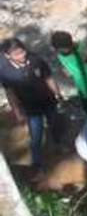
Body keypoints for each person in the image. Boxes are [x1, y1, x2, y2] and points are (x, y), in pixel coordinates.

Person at [0, 38, 65, 169]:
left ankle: (59, 145)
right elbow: (10, 94)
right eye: (16, 54)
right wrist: (17, 113)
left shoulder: (36, 60)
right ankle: (38, 163)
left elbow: (48, 78)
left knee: (55, 124)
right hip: (30, 109)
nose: (22, 55)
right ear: (7, 55)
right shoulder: (5, 72)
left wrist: (58, 94)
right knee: (36, 136)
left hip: (48, 102)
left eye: (22, 51)